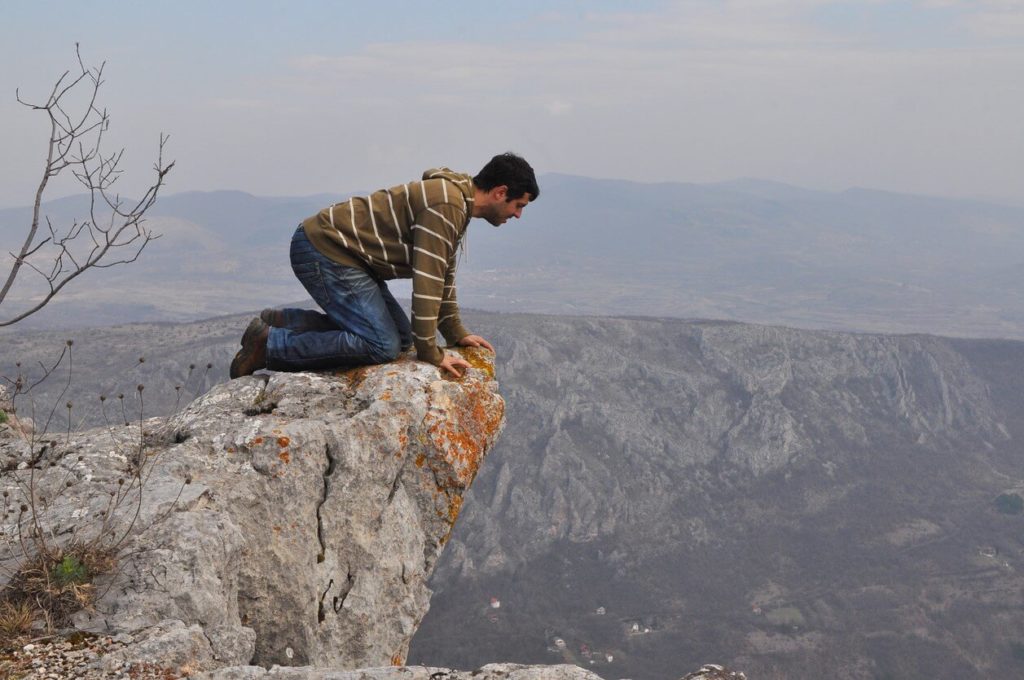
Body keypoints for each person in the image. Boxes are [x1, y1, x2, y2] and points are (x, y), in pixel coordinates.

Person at [230, 152, 538, 379]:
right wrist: (432, 352)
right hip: (324, 250)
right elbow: (428, 281)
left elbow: (443, 271)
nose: (518, 215)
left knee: (402, 339)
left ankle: (289, 322)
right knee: (382, 345)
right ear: (500, 192)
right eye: (518, 205)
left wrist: (454, 332)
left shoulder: (453, 202)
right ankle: (271, 344)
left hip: (345, 255)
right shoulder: (447, 204)